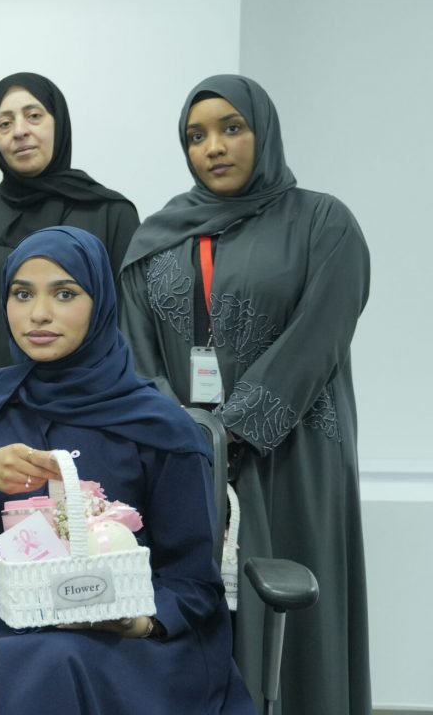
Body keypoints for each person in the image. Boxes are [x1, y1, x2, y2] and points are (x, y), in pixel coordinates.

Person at [0, 225, 250, 714]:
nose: (39, 313)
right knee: (41, 666)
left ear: (99, 304)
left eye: (64, 293)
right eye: (21, 294)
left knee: (56, 662)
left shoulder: (160, 426)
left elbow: (195, 586)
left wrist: (138, 620)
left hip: (129, 657)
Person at [119, 75, 370, 713]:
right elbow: (136, 348)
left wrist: (230, 429)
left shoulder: (323, 221)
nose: (214, 147)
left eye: (232, 128)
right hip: (186, 464)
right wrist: (182, 434)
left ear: (264, 132)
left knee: (292, 608)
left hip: (294, 453)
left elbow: (319, 338)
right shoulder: (157, 236)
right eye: (196, 136)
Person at [0, 72, 138, 405]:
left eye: (34, 116)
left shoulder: (110, 213)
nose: (20, 131)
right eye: (4, 123)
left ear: (59, 123)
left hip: (81, 411)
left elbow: (128, 328)